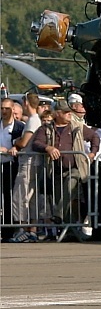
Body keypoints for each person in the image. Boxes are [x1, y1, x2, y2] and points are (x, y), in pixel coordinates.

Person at [27, 99, 91, 240]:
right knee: (62, 199)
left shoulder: (77, 126)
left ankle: (58, 214)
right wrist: (48, 147)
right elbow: (36, 143)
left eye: (70, 112)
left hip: (75, 167)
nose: (69, 114)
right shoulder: (46, 128)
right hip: (55, 169)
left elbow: (94, 137)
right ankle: (70, 232)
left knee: (69, 187)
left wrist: (92, 154)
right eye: (66, 112)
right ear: (57, 113)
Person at [7, 93, 45, 243]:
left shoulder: (33, 121)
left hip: (28, 163)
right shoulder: (33, 120)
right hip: (31, 162)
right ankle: (32, 230)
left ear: (26, 103)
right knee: (30, 197)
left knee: (20, 196)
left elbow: (24, 142)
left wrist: (16, 141)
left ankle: (23, 229)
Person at [1, 98, 24, 236]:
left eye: (7, 108)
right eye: (2, 108)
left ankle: (8, 230)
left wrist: (15, 148)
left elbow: (25, 143)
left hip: (11, 165)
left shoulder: (20, 127)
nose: (4, 111)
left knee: (9, 196)